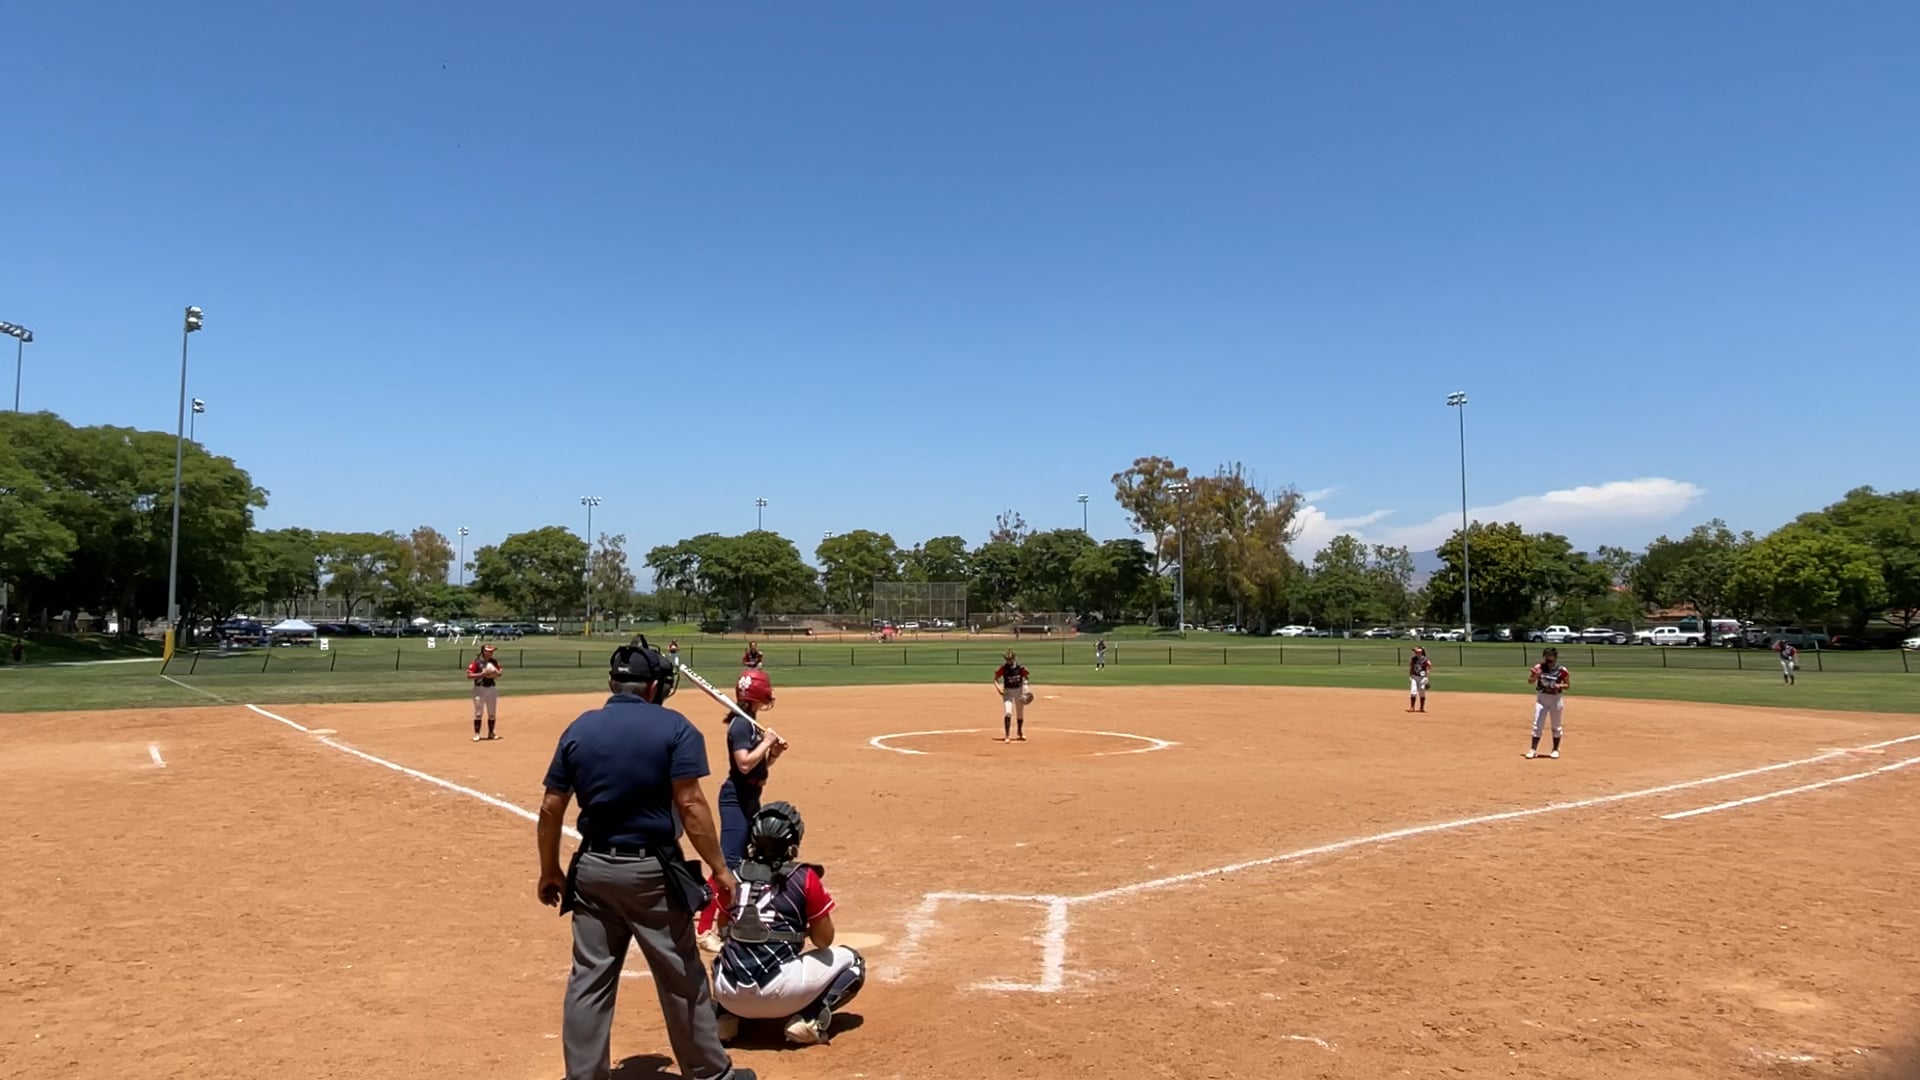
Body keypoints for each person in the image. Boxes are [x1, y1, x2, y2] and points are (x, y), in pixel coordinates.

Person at [537, 636, 754, 1080]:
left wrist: (549, 870)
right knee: (681, 977)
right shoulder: (675, 728)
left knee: (589, 980)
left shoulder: (579, 728)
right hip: (652, 873)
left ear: (613, 684)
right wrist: (719, 867)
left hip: (592, 869)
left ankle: (583, 1075)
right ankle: (710, 1073)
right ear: (654, 687)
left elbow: (550, 807)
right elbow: (690, 803)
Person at [711, 802, 865, 1047]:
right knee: (853, 961)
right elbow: (824, 941)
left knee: (723, 957)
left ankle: (725, 1018)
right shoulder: (803, 877)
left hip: (729, 993)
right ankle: (809, 1019)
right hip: (781, 993)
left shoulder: (733, 875)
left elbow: (722, 929)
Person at [697, 646, 786, 951]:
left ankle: (727, 924)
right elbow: (744, 763)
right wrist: (768, 741)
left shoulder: (749, 722)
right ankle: (704, 930)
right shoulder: (740, 724)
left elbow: (759, 767)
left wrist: (772, 753)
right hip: (735, 799)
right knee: (728, 864)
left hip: (750, 796)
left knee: (746, 861)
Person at [1525, 647, 1570, 759]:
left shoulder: (1562, 670)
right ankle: (1533, 750)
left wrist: (1559, 685)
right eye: (1546, 656)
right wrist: (1535, 676)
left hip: (1556, 699)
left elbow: (1567, 685)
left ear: (1555, 657)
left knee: (1556, 725)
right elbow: (1530, 681)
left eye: (1551, 657)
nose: (1548, 659)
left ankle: (1555, 750)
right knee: (1537, 724)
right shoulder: (1539, 668)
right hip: (1542, 699)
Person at [993, 649, 1032, 742]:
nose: (1008, 661)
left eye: (1010, 659)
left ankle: (1020, 732)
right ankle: (1007, 735)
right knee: (1008, 712)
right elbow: (995, 679)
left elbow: (1026, 677)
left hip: (1019, 691)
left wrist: (1026, 687)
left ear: (1014, 658)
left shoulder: (1020, 667)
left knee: (1020, 713)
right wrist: (998, 688)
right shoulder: (1003, 668)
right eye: (1007, 659)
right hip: (1008, 692)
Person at [466, 643, 503, 741]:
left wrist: (495, 673)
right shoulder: (477, 662)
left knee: (492, 713)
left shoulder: (493, 662)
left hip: (491, 688)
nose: (491, 653)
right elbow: (469, 675)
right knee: (478, 713)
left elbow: (500, 672)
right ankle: (477, 734)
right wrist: (482, 674)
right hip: (479, 689)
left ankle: (491, 733)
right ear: (484, 652)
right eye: (489, 651)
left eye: (492, 651)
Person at [1408, 646, 1431, 713]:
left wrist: (1426, 677)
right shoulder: (1413, 659)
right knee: (1413, 691)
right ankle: (1412, 707)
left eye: (1417, 651)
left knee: (1422, 692)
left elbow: (1429, 666)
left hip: (1422, 678)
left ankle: (1421, 708)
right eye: (1415, 651)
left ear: (1421, 652)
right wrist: (1410, 675)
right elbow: (1411, 667)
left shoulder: (1425, 659)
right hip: (1414, 677)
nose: (1415, 652)